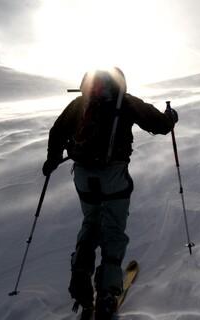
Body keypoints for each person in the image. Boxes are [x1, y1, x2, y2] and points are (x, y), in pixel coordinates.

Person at [42, 67, 178, 319]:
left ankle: (81, 273)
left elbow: (57, 132)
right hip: (113, 174)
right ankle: (106, 294)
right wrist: (171, 117)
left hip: (83, 175)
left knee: (90, 222)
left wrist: (52, 159)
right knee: (113, 229)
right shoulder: (124, 101)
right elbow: (159, 125)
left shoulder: (79, 103)